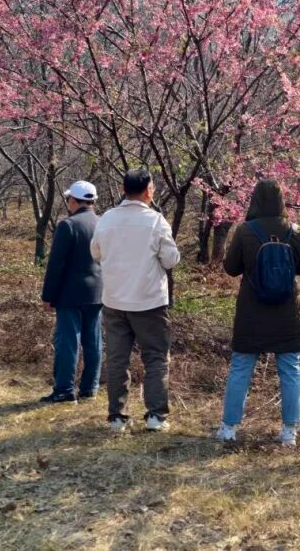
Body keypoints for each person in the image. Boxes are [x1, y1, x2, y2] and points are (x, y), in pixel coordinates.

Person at [215, 179, 300, 447]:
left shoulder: (245, 231)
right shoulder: (296, 231)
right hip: (287, 311)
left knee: (241, 367)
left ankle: (229, 428)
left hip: (252, 311)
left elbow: (231, 269)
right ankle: (289, 432)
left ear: (254, 200)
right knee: (290, 369)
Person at [91, 169, 180, 433]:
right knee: (156, 358)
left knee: (117, 359)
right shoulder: (156, 221)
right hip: (149, 302)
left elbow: (95, 252)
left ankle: (117, 417)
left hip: (114, 299)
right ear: (149, 191)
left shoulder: (107, 219)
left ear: (123, 189)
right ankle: (156, 416)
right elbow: (170, 260)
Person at [40, 180, 103, 404]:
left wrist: (48, 296)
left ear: (74, 201)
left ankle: (64, 390)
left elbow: (56, 265)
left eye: (69, 200)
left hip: (70, 293)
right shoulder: (102, 223)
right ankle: (90, 388)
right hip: (98, 291)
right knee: (93, 341)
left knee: (68, 342)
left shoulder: (68, 225)